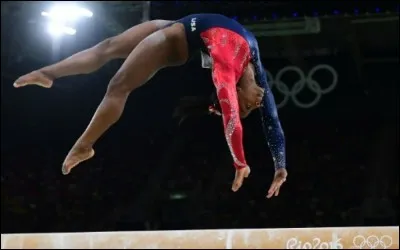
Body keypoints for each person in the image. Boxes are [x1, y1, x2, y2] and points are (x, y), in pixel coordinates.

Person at [13, 14, 287, 198]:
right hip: (180, 24)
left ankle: (84, 146)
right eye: (250, 108)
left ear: (235, 91)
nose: (257, 104)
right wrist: (280, 166)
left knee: (118, 86)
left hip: (174, 41)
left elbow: (231, 120)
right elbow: (272, 121)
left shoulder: (225, 74)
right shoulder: (257, 68)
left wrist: (240, 162)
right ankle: (48, 73)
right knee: (107, 47)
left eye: (248, 109)